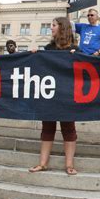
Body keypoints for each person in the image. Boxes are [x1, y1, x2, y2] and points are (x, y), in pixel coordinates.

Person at [29, 17, 78, 175]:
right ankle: (42, 164)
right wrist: (36, 56)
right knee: (47, 127)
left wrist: (76, 57)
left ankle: (69, 165)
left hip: (67, 96)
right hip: (49, 95)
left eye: (54, 25)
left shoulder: (75, 49)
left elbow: (85, 69)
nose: (51, 28)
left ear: (62, 27)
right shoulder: (48, 48)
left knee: (68, 128)